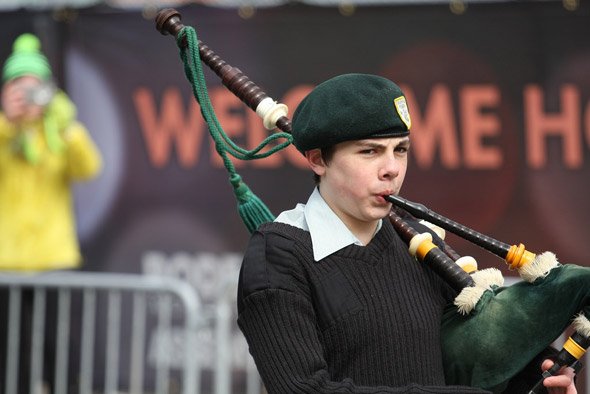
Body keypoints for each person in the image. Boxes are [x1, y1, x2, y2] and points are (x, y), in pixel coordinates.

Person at [236, 73, 576, 393]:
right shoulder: (278, 256)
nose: (392, 170)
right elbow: (303, 389)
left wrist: (535, 378)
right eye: (370, 151)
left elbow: (469, 358)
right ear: (317, 160)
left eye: (400, 150)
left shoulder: (418, 242)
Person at [0, 33, 102, 393]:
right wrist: (8, 124)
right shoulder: (3, 133)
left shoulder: (56, 134)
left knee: (59, 353)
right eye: (19, 88)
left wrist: (64, 122)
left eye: (35, 89)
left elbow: (88, 167)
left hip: (54, 260)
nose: (28, 98)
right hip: (7, 266)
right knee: (11, 357)